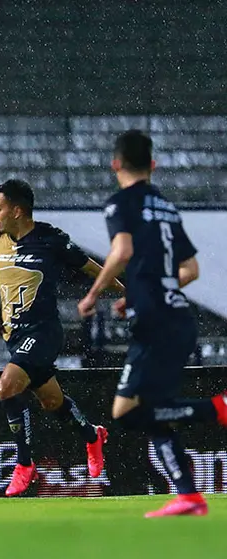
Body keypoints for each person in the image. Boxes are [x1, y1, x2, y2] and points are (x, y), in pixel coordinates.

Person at [78, 130, 226, 517]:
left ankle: (219, 408)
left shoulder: (120, 203)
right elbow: (190, 270)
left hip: (157, 323)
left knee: (126, 413)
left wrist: (94, 293)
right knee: (156, 410)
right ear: (153, 166)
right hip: (175, 316)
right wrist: (142, 294)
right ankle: (188, 494)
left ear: (115, 164)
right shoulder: (166, 206)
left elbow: (122, 250)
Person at [0, 179, 118, 497]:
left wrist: (126, 292)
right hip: (13, 335)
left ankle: (25, 464)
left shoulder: (50, 239)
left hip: (44, 332)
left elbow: (90, 267)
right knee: (52, 401)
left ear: (17, 210)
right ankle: (92, 435)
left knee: (7, 386)